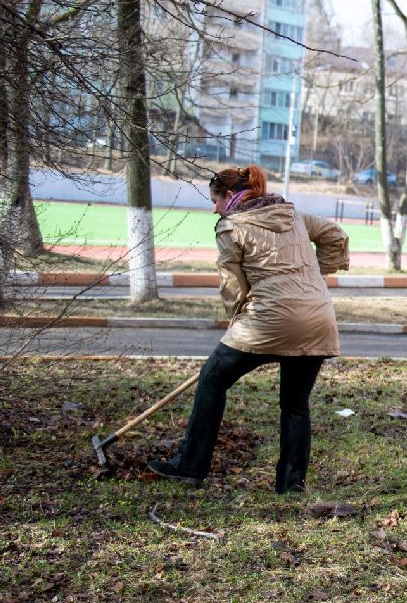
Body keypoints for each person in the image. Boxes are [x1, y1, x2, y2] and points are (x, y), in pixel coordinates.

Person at [148, 165, 348, 493]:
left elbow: (232, 285)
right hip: (317, 319)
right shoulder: (292, 214)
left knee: (212, 379)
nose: (213, 208)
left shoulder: (231, 227)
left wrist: (235, 314)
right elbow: (336, 236)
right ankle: (291, 484)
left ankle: (190, 465)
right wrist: (314, 277)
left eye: (215, 200)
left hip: (268, 320)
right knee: (295, 403)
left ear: (230, 196)